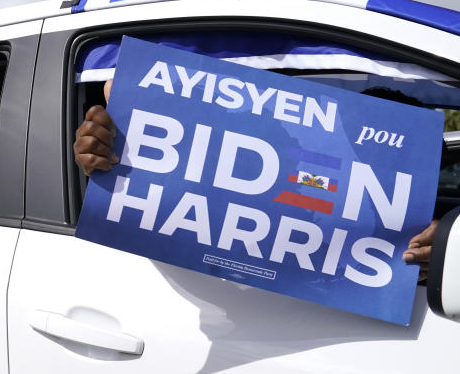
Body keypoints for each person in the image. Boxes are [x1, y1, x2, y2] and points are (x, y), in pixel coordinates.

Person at [73, 79, 437, 271]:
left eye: (391, 145)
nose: (366, 151)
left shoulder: (429, 233)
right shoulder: (302, 184)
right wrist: (112, 163)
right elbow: (176, 201)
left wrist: (435, 259)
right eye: (357, 136)